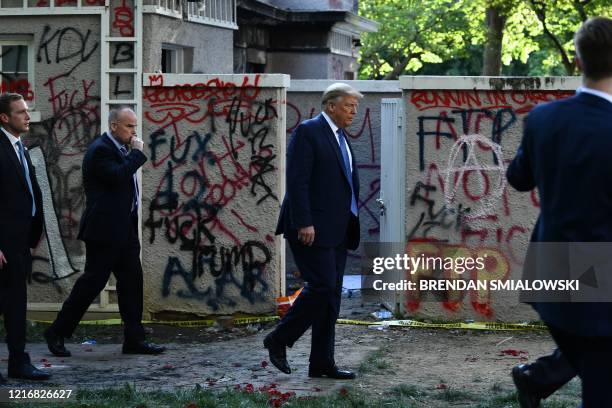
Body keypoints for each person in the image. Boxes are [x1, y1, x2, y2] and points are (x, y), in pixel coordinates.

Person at [507, 16, 612, 407]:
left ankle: (535, 379)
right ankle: (535, 379)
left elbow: (518, 179)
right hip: (602, 280)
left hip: (551, 274)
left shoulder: (543, 118)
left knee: (591, 359)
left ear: (578, 60)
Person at [44, 107, 166, 356]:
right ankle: (56, 331)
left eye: (134, 126)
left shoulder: (119, 149)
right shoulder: (100, 150)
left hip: (124, 230)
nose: (134, 131)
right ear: (114, 126)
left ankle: (134, 340)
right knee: (92, 283)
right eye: (129, 126)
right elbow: (116, 176)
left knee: (132, 282)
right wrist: (137, 154)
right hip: (104, 230)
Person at [264, 83, 362, 379]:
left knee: (330, 296)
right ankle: (279, 338)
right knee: (320, 286)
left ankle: (321, 363)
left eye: (355, 108)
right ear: (330, 106)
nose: (353, 113)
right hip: (311, 229)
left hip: (338, 230)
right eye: (348, 106)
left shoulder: (341, 137)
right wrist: (304, 221)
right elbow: (297, 180)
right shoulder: (309, 131)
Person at [0, 92, 50, 381]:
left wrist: (31, 241)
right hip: (3, 245)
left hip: (19, 243)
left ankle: (18, 363)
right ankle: (18, 361)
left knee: (16, 305)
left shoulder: (19, 147)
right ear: (5, 117)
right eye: (20, 112)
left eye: (27, 110)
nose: (27, 116)